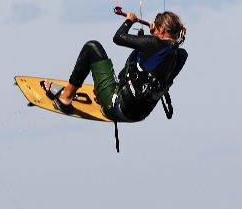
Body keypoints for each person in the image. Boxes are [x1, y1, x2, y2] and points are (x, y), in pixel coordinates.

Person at [42, 11, 187, 124]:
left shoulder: (153, 43)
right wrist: (151, 37)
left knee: (91, 47)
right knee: (139, 67)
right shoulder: (180, 56)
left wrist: (129, 21)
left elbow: (118, 37)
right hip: (139, 115)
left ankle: (65, 98)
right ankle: (104, 92)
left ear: (162, 30)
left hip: (118, 107)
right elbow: (162, 54)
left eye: (156, 27)